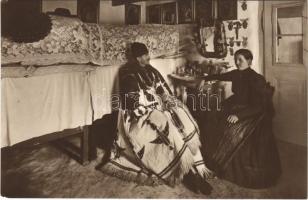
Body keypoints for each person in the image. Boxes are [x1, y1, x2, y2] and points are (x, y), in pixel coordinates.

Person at [101, 42, 213, 194]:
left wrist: (167, 101)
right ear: (138, 57)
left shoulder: (150, 69)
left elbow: (162, 88)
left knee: (181, 115)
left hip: (158, 106)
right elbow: (131, 101)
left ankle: (195, 166)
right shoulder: (126, 72)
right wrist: (150, 108)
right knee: (168, 132)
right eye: (145, 55)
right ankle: (189, 174)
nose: (148, 57)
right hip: (140, 114)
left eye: (147, 54)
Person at [198, 48, 281, 188]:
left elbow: (260, 106)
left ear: (249, 61)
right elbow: (221, 76)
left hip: (252, 112)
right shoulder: (237, 73)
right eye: (236, 60)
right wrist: (204, 79)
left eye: (240, 60)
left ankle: (224, 165)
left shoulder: (257, 79)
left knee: (230, 131)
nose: (237, 63)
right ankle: (209, 162)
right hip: (236, 104)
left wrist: (239, 116)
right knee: (212, 117)